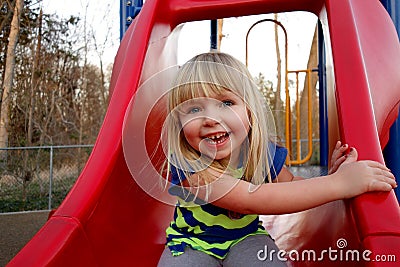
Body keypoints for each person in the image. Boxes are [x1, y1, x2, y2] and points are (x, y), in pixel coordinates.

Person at [157, 52, 396, 266]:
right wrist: (340, 184)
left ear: (249, 110)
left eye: (227, 103)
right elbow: (249, 200)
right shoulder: (188, 164)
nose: (210, 119)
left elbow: (290, 184)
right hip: (190, 242)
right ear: (179, 123)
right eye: (194, 110)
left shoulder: (259, 153)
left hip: (245, 236)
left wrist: (330, 180)